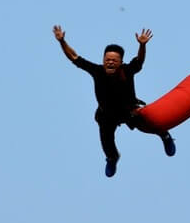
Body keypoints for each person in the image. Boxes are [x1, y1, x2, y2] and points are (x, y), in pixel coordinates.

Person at [53, 25, 176, 177]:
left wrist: (142, 45)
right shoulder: (97, 71)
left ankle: (165, 135)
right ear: (103, 60)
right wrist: (62, 41)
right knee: (106, 141)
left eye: (114, 60)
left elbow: (139, 60)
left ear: (120, 62)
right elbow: (74, 57)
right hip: (107, 115)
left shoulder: (127, 70)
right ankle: (112, 158)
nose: (110, 62)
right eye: (107, 59)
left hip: (129, 110)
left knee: (151, 121)